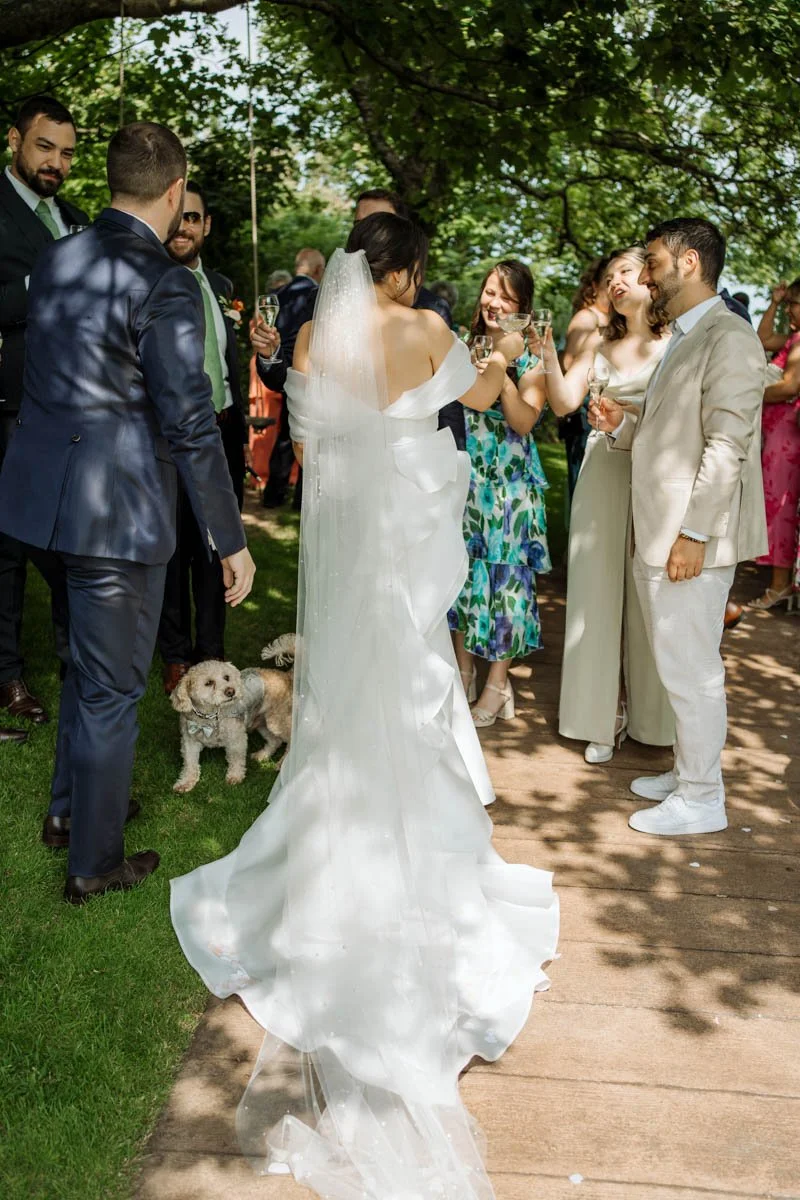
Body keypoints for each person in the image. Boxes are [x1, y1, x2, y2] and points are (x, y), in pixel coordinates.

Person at [171, 213, 559, 1200]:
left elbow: (306, 436)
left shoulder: (312, 336)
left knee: (345, 684)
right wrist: (503, 351)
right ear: (409, 270)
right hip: (406, 544)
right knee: (414, 685)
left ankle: (332, 832)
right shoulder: (426, 328)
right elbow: (481, 397)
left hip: (350, 543)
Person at [0, 122, 255, 902]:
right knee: (111, 688)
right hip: (116, 511)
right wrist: (229, 537)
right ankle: (96, 863)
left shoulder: (59, 256)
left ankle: (69, 813)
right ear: (175, 190)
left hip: (43, 501)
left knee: (85, 668)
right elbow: (190, 422)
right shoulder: (166, 281)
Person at [592, 218, 766, 837]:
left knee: (693, 672)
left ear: (689, 262)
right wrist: (621, 424)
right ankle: (690, 772)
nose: (646, 274)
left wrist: (694, 535)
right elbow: (674, 434)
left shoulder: (730, 337)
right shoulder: (688, 334)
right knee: (677, 665)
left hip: (689, 536)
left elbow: (726, 445)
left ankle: (702, 798)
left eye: (654, 261)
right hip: (663, 528)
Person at [541, 246, 675, 763]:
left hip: (655, 476)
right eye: (609, 275)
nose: (615, 281)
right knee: (594, 595)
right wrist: (548, 353)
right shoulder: (598, 342)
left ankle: (652, 718)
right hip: (601, 472)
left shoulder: (677, 344)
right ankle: (600, 716)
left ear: (651, 279)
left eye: (626, 272)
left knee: (649, 600)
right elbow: (564, 402)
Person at [0, 94, 89, 739]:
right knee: (8, 547)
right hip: (10, 405)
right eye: (44, 147)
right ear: (14, 140)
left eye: (66, 152)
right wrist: (46, 281)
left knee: (69, 541)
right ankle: (7, 675)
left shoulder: (77, 219)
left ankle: (76, 662)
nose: (56, 162)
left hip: (77, 408)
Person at [448, 260, 553, 727]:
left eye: (507, 298)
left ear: (523, 308)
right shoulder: (460, 345)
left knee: (507, 584)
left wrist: (502, 370)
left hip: (510, 485)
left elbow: (525, 421)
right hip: (464, 476)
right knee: (462, 577)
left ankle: (497, 684)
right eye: (490, 292)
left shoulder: (532, 359)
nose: (494, 303)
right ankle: (463, 673)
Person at [158, 181, 251, 692]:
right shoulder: (151, 281)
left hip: (224, 431)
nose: (184, 228)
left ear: (206, 225)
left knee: (220, 544)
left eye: (193, 218)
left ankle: (211, 650)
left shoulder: (220, 284)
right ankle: (174, 654)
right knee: (174, 548)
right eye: (178, 218)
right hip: (172, 437)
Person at [353, 187, 467, 449]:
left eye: (379, 222)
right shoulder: (322, 304)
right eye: (360, 224)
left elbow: (448, 401)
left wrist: (453, 452)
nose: (368, 232)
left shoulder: (431, 308)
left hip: (416, 459)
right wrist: (272, 355)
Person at [251, 247, 325, 508]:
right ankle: (301, 500)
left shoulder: (277, 295)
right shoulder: (318, 295)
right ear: (318, 270)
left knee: (286, 435)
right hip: (311, 375)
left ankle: (274, 494)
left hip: (281, 370)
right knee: (311, 437)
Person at [749, 279, 800, 609]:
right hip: (777, 433)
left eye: (793, 303)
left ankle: (780, 585)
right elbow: (763, 338)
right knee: (775, 504)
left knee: (781, 507)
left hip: (786, 436)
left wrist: (749, 393)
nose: (789, 309)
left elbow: (790, 386)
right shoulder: (794, 338)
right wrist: (775, 302)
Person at [558, 256, 612, 504]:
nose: (614, 287)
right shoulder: (587, 318)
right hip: (584, 415)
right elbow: (570, 364)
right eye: (607, 282)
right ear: (594, 286)